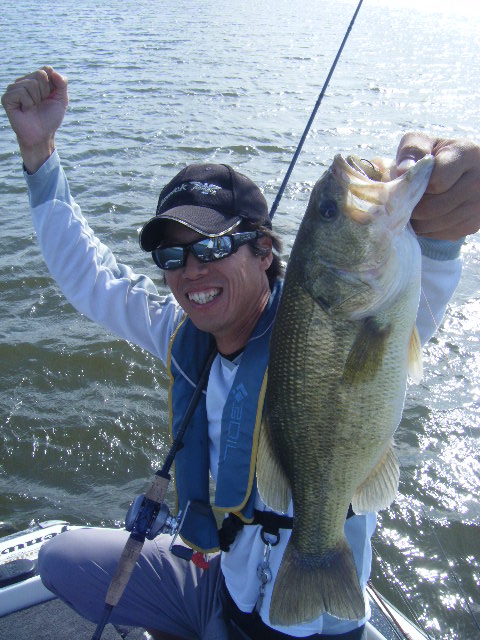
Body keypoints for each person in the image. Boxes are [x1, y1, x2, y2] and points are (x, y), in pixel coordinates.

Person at [2, 66, 480, 640]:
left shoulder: (342, 315)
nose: (191, 270)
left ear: (263, 251)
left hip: (312, 614)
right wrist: (39, 154)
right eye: (173, 256)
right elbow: (90, 278)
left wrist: (443, 226)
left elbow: (424, 289)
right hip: (222, 587)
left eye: (213, 246)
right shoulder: (182, 334)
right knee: (62, 561)